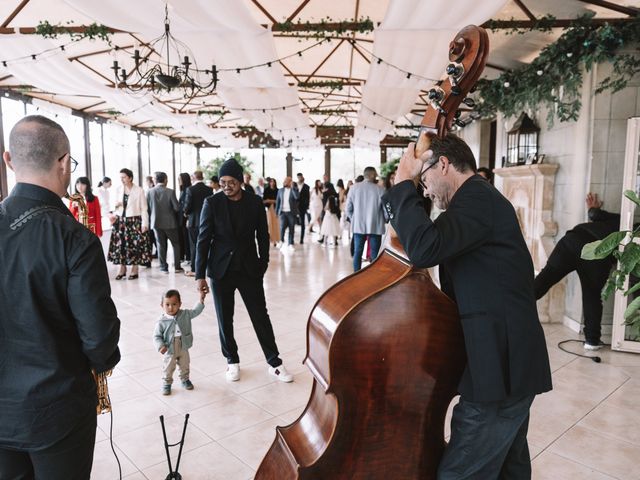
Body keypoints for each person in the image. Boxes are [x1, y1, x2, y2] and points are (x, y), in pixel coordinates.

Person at [382, 133, 552, 479]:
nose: (425, 190)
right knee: (509, 469)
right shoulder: (475, 201)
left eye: (424, 179)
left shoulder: (476, 200)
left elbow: (425, 248)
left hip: (499, 370)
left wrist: (403, 185)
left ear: (443, 164)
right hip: (506, 365)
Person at [0, 115, 120, 479]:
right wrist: (102, 360)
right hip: (57, 409)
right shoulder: (76, 239)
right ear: (65, 163)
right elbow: (99, 340)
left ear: (8, 159)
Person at [195, 158, 293, 383]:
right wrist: (200, 275)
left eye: (231, 181)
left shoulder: (254, 202)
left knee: (260, 316)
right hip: (221, 270)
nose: (226, 186)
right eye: (222, 182)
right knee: (224, 318)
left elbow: (262, 234)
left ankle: (274, 362)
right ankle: (232, 361)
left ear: (240, 181)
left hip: (249, 268)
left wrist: (264, 262)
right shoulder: (212, 203)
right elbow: (203, 240)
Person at [535, 193, 620, 350]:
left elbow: (594, 214)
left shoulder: (621, 220)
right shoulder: (633, 231)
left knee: (542, 281)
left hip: (573, 241)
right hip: (597, 254)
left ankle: (505, 312)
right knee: (592, 295)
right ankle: (592, 341)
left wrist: (594, 208)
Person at [153, 289, 205, 395]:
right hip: (169, 348)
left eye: (174, 304)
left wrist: (201, 300)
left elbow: (196, 311)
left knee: (185, 364)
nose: (171, 307)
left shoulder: (185, 314)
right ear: (161, 305)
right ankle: (167, 383)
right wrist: (160, 346)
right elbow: (156, 336)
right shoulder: (161, 321)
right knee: (168, 366)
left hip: (183, 345)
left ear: (180, 304)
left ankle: (185, 379)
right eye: (167, 304)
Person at [108, 167, 151, 280]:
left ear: (130, 178)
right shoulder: (117, 189)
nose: (122, 179)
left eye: (124, 177)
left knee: (134, 246)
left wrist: (144, 224)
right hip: (121, 221)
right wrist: (115, 206)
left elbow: (144, 208)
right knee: (121, 245)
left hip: (134, 221)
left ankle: (134, 269)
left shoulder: (139, 190)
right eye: (120, 177)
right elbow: (111, 206)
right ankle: (122, 269)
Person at [346, 167, 386, 271]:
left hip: (358, 225)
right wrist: (386, 219)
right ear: (372, 175)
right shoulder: (380, 189)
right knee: (374, 254)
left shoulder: (353, 188)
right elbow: (385, 209)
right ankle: (372, 277)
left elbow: (348, 209)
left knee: (357, 252)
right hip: (375, 225)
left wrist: (354, 218)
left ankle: (356, 275)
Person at [147, 171, 182, 274]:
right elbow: (176, 207)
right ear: (166, 180)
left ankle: (163, 268)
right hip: (170, 223)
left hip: (156, 223)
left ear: (155, 180)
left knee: (160, 245)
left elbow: (147, 209)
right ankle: (177, 267)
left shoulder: (149, 192)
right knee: (176, 244)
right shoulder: (170, 191)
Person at [183, 170, 213, 276]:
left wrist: (185, 214)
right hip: (207, 221)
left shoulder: (190, 190)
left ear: (193, 178)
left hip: (194, 222)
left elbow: (187, 206)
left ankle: (195, 269)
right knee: (206, 244)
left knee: (194, 246)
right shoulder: (209, 189)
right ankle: (207, 267)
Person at [276, 176, 299, 251]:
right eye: (285, 181)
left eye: (288, 181)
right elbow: (278, 202)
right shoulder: (280, 190)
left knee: (291, 228)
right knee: (282, 227)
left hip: (291, 212)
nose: (286, 182)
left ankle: (290, 244)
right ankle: (281, 241)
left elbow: (297, 197)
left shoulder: (295, 190)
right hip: (282, 212)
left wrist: (292, 188)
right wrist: (277, 212)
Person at [319, 182, 341, 247]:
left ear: (327, 187)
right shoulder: (336, 194)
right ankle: (335, 242)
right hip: (335, 213)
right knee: (334, 228)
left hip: (328, 213)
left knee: (326, 228)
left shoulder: (325, 194)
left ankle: (325, 242)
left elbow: (325, 205)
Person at [177, 172, 192, 266]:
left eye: (180, 179)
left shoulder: (188, 190)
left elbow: (187, 205)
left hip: (185, 218)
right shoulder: (182, 190)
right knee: (183, 238)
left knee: (186, 238)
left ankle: (189, 257)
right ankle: (185, 257)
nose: (178, 181)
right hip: (181, 218)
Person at [262, 177, 280, 246]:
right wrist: (270, 201)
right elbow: (264, 200)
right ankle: (271, 239)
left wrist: (270, 200)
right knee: (270, 224)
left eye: (273, 182)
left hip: (276, 209)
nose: (272, 183)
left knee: (276, 224)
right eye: (271, 182)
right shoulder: (266, 190)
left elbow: (279, 201)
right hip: (269, 208)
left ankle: (276, 240)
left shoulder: (278, 190)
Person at [296, 173, 310, 243]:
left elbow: (307, 198)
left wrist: (306, 206)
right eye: (298, 177)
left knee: (302, 223)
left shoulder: (307, 187)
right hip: (294, 207)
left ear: (302, 177)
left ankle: (302, 238)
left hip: (302, 207)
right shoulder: (294, 185)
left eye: (300, 177)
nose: (299, 178)